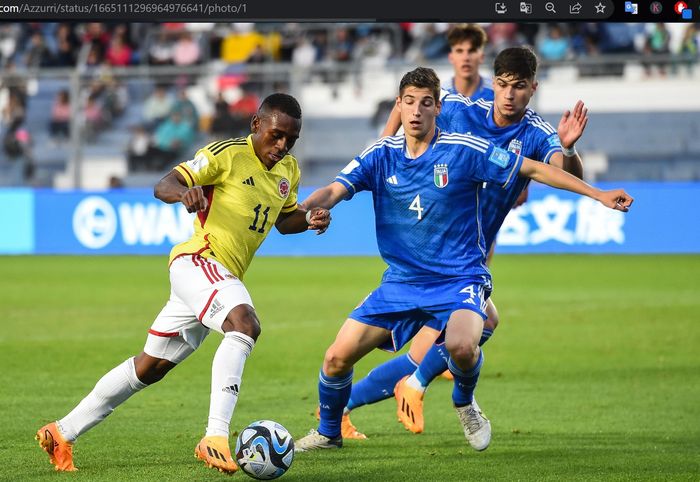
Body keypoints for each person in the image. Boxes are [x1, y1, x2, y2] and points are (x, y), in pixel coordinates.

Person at [294, 67, 632, 453]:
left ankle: (464, 401)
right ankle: (328, 433)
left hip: (459, 279)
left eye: (425, 103)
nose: (417, 111)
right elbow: (334, 190)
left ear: (438, 107)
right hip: (402, 282)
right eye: (408, 102)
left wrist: (598, 194)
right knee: (336, 357)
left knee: (462, 345)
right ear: (399, 107)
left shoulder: (464, 149)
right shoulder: (380, 155)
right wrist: (304, 211)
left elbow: (535, 168)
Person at [35, 93, 331, 474]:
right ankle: (215, 437)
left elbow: (284, 220)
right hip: (199, 262)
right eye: (276, 135)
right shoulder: (226, 154)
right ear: (256, 124)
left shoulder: (288, 170)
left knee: (150, 367)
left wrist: (308, 220)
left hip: (216, 279)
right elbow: (165, 184)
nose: (282, 146)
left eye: (291, 139)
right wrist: (185, 193)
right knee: (245, 324)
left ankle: (61, 432)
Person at [345, 46, 587, 438]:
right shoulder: (459, 108)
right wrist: (385, 150)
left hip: (471, 253)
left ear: (533, 89)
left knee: (471, 331)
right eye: (503, 86)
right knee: (450, 340)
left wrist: (570, 147)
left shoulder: (537, 133)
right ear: (494, 84)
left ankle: (361, 400)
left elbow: (561, 171)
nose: (509, 95)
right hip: (431, 249)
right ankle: (396, 394)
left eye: (519, 87)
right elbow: (406, 111)